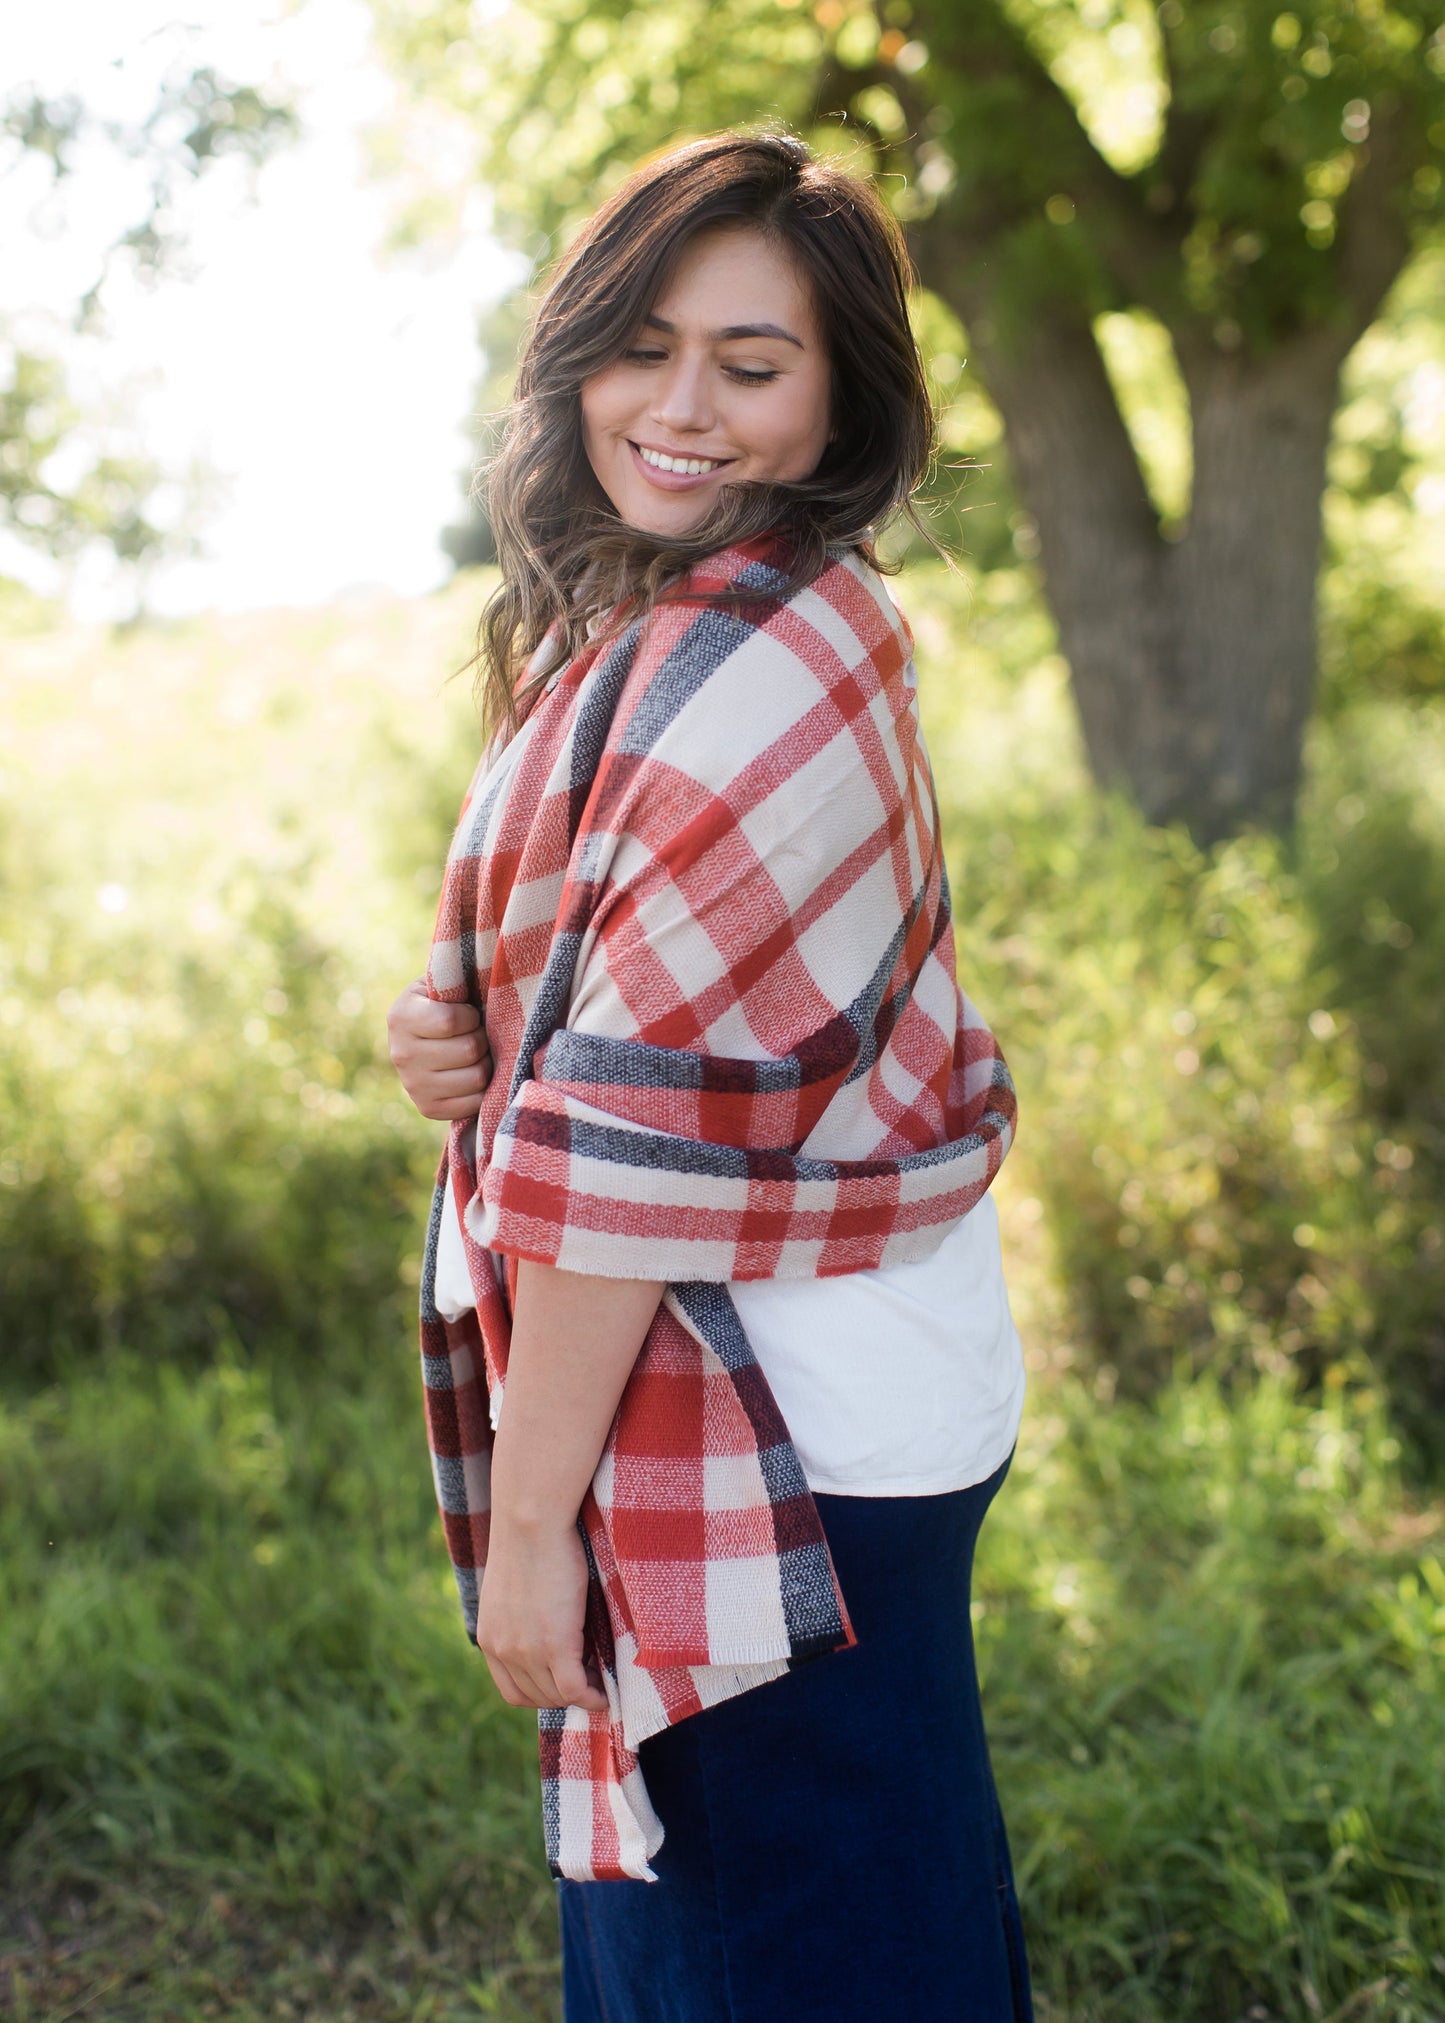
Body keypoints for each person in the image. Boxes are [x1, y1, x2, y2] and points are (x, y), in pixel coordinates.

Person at [386, 130, 1034, 2022]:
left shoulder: (761, 660)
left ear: (836, 399)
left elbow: (626, 1147)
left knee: (772, 1941)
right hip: (793, 1374)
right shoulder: (674, 623)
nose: (679, 410)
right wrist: (458, 1041)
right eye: (642, 346)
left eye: (750, 367)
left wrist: (527, 1530)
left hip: (773, 1415)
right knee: (848, 1891)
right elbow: (615, 998)